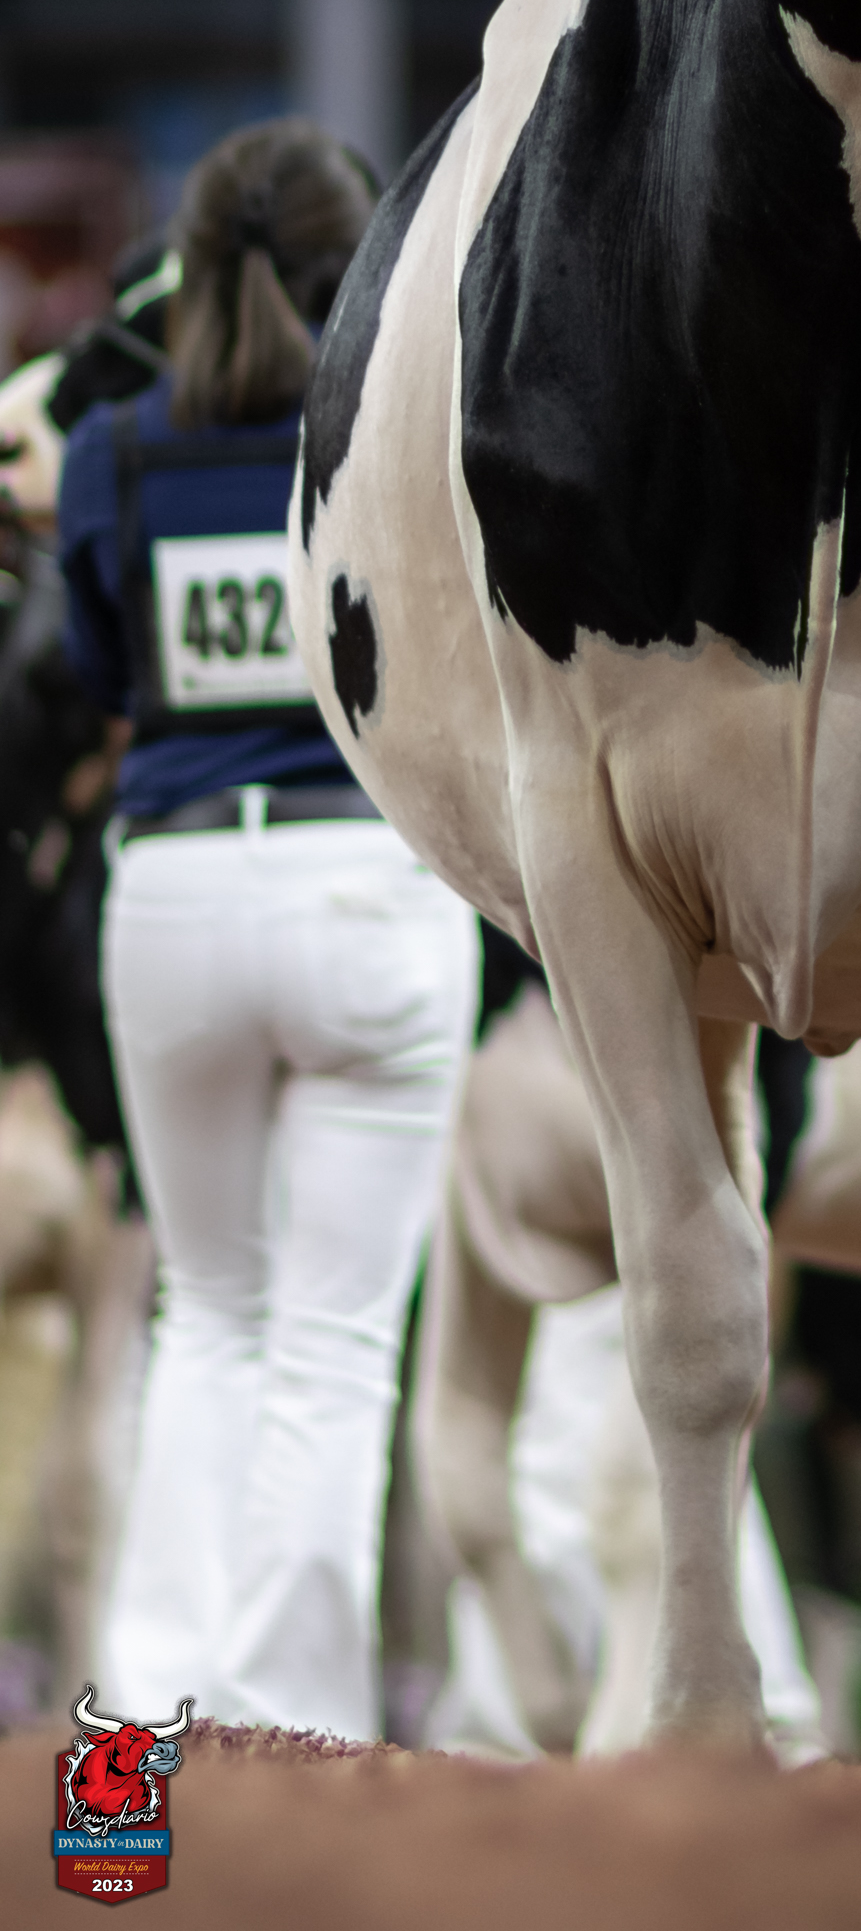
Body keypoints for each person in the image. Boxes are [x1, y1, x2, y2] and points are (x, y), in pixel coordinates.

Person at [60, 119, 478, 1739]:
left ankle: (151, 1714)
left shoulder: (113, 451)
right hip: (366, 885)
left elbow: (94, 673)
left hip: (172, 896)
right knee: (334, 1341)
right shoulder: (403, 433)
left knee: (207, 1312)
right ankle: (293, 1718)